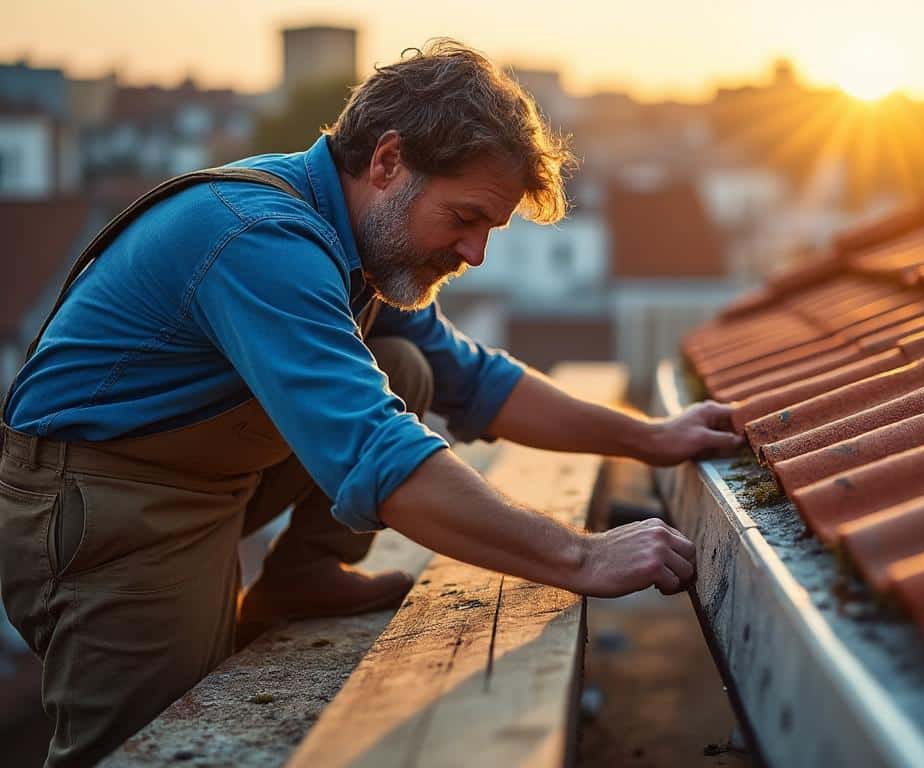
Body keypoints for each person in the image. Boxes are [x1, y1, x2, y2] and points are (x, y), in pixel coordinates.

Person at [0, 38, 740, 767]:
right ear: (388, 163)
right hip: (104, 510)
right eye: (465, 218)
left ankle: (299, 577)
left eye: (491, 229)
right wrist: (580, 557)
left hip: (206, 481)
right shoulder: (262, 238)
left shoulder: (358, 241)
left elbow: (477, 382)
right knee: (150, 746)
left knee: (405, 365)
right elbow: (378, 454)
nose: (476, 252)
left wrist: (652, 438)